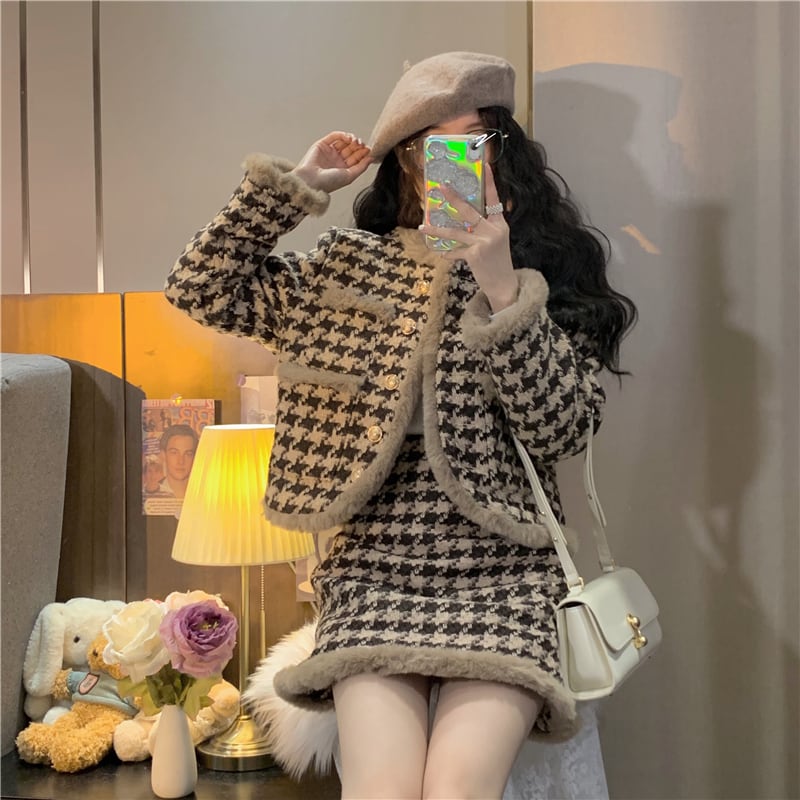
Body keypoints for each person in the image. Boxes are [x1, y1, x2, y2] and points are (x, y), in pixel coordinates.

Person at [165, 51, 636, 800]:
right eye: (433, 147)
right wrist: (296, 189)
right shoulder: (345, 268)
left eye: (475, 143)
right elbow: (200, 285)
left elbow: (562, 429)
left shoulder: (543, 274)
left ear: (504, 153)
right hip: (372, 572)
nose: (454, 164)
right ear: (406, 162)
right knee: (381, 788)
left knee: (457, 789)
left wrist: (501, 287)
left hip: (505, 575)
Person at [156, 424, 198, 498]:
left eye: (188, 454)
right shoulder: (150, 493)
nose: (181, 461)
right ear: (163, 455)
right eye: (174, 452)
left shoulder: (206, 494)